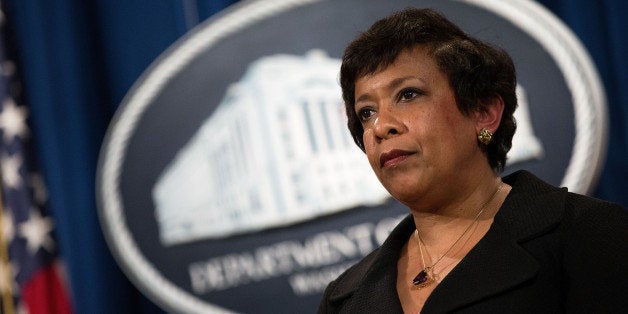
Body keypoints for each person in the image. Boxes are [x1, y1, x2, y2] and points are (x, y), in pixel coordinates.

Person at [318, 8, 627, 313]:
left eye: (408, 94)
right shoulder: (345, 299)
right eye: (366, 112)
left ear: (484, 113)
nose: (381, 126)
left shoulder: (591, 235)